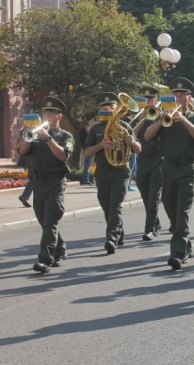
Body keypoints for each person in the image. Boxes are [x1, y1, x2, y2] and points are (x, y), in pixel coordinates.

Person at [144, 78, 194, 270]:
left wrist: (184, 119)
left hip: (187, 168)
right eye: (175, 95)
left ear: (189, 97)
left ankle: (177, 254)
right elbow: (147, 136)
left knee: (181, 212)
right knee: (171, 210)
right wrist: (161, 120)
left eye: (182, 95)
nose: (178, 99)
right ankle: (185, 244)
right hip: (168, 167)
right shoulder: (164, 117)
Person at [18, 97, 75, 274]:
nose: (47, 116)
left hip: (56, 181)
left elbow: (63, 156)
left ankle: (44, 260)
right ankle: (60, 248)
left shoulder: (66, 136)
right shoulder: (35, 134)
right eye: (45, 113)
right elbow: (22, 151)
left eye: (51, 113)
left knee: (50, 220)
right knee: (44, 221)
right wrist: (28, 135)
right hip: (39, 182)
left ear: (59, 116)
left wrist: (48, 138)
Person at [84, 92, 142, 255]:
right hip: (102, 172)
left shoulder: (125, 126)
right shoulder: (95, 129)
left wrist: (132, 142)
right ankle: (119, 232)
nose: (108, 110)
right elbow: (87, 153)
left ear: (117, 109)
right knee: (106, 206)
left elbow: (139, 149)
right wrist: (100, 146)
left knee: (115, 207)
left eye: (111, 108)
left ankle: (111, 238)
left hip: (120, 172)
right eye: (104, 108)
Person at [133, 86, 164, 241]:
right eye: (145, 100)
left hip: (159, 160)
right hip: (143, 160)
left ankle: (149, 229)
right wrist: (141, 121)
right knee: (145, 195)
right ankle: (156, 222)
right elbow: (131, 135)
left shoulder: (163, 116)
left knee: (153, 196)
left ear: (156, 100)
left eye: (150, 99)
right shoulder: (141, 117)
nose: (148, 102)